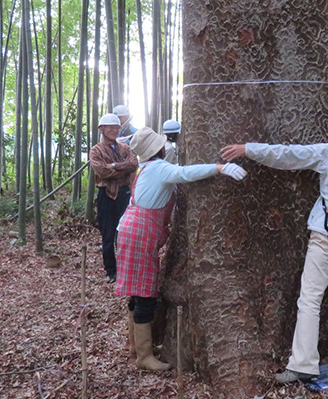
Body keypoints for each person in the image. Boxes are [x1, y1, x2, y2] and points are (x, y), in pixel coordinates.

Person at [221, 105, 328, 384]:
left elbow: (287, 155)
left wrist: (248, 148)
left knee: (310, 299)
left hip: (326, 237)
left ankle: (303, 363)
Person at [115, 127, 247, 371]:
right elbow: (186, 173)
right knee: (144, 292)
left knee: (137, 291)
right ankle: (143, 356)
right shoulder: (158, 168)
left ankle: (136, 347)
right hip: (139, 233)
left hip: (130, 230)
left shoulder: (146, 168)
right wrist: (219, 168)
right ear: (159, 149)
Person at [89, 113, 139, 283]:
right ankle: (111, 271)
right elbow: (102, 171)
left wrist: (114, 166)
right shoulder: (96, 150)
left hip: (124, 194)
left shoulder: (125, 148)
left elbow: (134, 164)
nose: (114, 130)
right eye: (110, 127)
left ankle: (126, 268)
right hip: (107, 196)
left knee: (125, 232)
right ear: (101, 129)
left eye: (116, 127)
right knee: (108, 234)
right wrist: (122, 170)